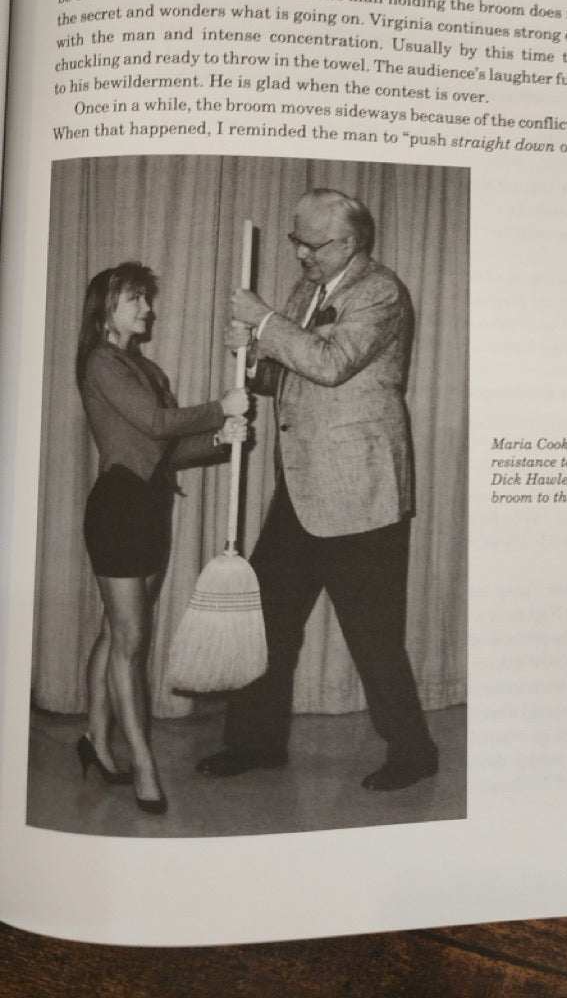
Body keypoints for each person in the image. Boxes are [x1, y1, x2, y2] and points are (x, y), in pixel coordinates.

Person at [196, 188, 438, 791]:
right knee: (268, 618)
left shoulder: (380, 292)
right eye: (295, 241)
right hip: (302, 489)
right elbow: (288, 374)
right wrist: (253, 357)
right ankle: (256, 744)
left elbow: (331, 363)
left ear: (349, 242)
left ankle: (413, 752)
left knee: (373, 635)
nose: (300, 253)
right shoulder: (306, 292)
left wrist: (264, 322)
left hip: (360, 494)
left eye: (312, 243)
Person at [76, 262, 248, 814]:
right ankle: (144, 765)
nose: (147, 309)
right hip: (118, 510)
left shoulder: (146, 368)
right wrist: (219, 408)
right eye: (135, 299)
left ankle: (95, 737)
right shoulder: (100, 362)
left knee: (117, 632)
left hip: (151, 510)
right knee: (130, 641)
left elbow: (168, 449)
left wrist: (221, 438)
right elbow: (154, 422)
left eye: (146, 299)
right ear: (106, 307)